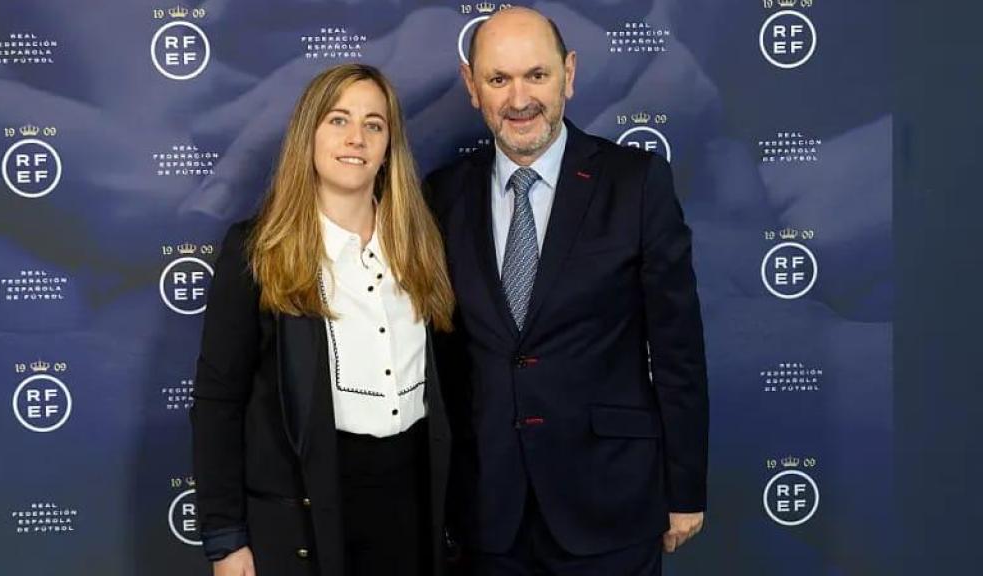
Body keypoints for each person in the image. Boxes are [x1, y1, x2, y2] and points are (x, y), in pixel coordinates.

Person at [425, 8, 708, 575]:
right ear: (471, 87)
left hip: (610, 502)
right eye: (498, 80)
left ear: (569, 75)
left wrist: (685, 490)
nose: (519, 98)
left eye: (537, 75)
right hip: (488, 513)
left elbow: (678, 350)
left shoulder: (636, 182)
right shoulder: (443, 196)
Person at [191, 63, 455, 576]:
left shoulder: (424, 247)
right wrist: (226, 540)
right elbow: (217, 402)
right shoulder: (255, 252)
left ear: (389, 146)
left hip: (411, 510)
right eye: (338, 120)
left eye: (374, 124)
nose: (356, 138)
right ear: (308, 133)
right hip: (308, 517)